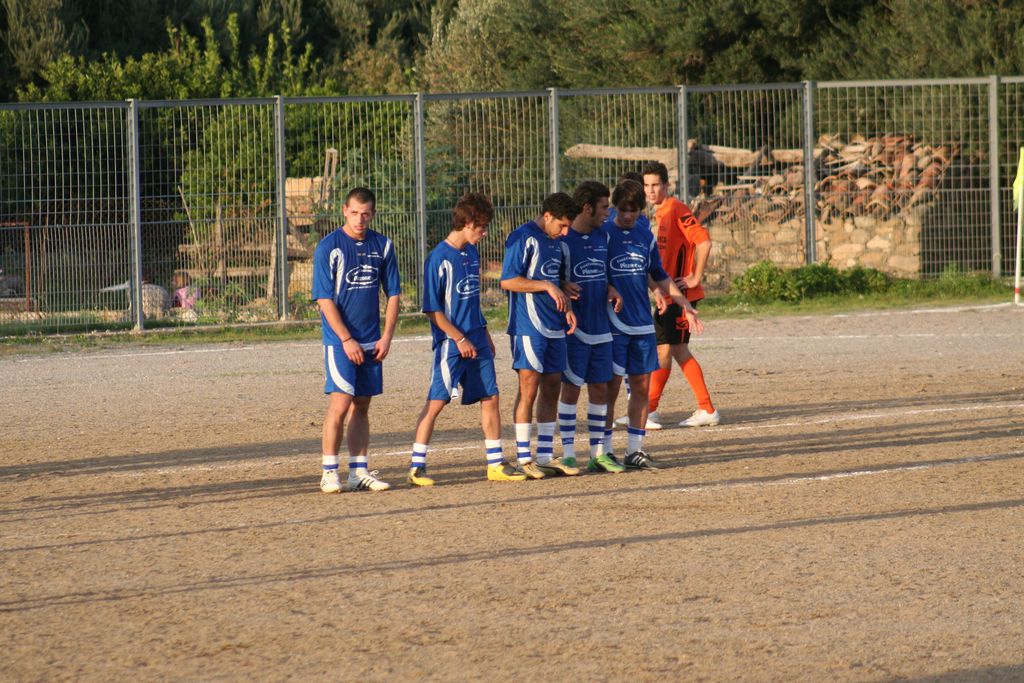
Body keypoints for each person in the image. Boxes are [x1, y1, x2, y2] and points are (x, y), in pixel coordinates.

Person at [406, 193, 526, 485]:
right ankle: (416, 467)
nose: (484, 234)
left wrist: (484, 332)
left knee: (491, 396)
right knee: (437, 401)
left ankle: (495, 464)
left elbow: (472, 301)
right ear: (468, 223)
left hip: (477, 338)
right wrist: (460, 339)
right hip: (452, 343)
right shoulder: (438, 258)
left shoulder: (471, 253)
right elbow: (432, 310)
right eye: (482, 227)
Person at [602, 179, 702, 470]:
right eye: (623, 210)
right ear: (615, 208)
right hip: (614, 323)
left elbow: (657, 273)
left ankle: (635, 450)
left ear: (641, 210)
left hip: (642, 323)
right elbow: (595, 274)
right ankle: (603, 451)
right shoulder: (604, 234)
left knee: (641, 386)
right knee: (611, 388)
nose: (628, 215)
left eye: (633, 210)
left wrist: (683, 304)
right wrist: (609, 288)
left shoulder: (644, 235)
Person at [313, 187, 401, 493]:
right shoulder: (329, 247)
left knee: (362, 406)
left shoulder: (383, 245)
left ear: (373, 214)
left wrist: (387, 336)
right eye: (354, 213)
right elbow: (324, 300)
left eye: (365, 214)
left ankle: (358, 472)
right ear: (344, 211)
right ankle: (329, 472)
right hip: (340, 342)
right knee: (340, 403)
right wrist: (346, 339)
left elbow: (393, 294)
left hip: (371, 341)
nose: (359, 219)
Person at [500, 192, 579, 479]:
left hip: (555, 325)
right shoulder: (523, 237)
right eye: (562, 225)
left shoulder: (559, 244)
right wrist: (546, 285)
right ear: (547, 216)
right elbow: (508, 280)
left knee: (552, 387)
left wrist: (567, 304)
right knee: (529, 389)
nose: (565, 231)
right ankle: (524, 458)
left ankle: (545, 455)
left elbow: (558, 282)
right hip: (528, 326)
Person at [642, 161, 720, 428]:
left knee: (669, 349)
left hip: (680, 292)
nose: (650, 190)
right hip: (669, 293)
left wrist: (695, 277)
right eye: (647, 185)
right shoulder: (660, 212)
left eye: (655, 185)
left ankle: (652, 410)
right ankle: (656, 409)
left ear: (666, 185)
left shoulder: (676, 208)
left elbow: (704, 241)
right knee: (670, 349)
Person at [556, 181, 626, 474]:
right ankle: (568, 454)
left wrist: (611, 288)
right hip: (575, 329)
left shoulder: (603, 236)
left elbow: (605, 272)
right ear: (587, 208)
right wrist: (561, 284)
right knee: (571, 389)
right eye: (604, 207)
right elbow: (553, 278)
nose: (608, 212)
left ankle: (599, 453)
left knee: (600, 387)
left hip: (602, 327)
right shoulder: (563, 239)